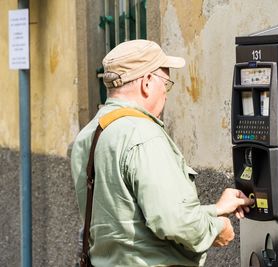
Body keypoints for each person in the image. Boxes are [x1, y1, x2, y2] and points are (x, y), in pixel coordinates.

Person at [71, 39, 253, 267]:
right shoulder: (143, 134)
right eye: (165, 84)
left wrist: (215, 210)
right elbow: (173, 221)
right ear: (147, 83)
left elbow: (131, 219)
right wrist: (217, 228)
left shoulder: (90, 134)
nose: (166, 95)